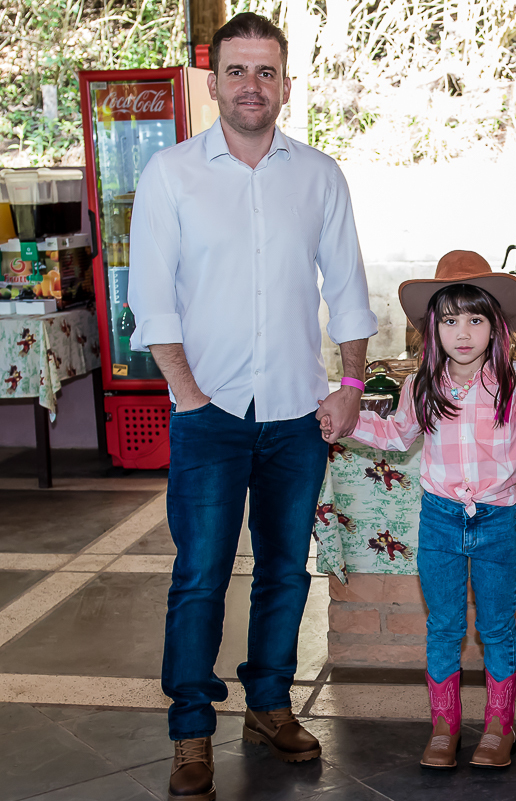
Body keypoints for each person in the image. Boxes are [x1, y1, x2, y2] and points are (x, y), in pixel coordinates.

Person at [127, 12, 378, 801]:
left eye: (265, 72)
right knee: (200, 574)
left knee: (283, 571)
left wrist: (347, 387)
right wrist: (190, 396)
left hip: (299, 416)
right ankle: (190, 729)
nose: (250, 86)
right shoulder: (172, 174)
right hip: (210, 416)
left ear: (286, 84)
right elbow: (151, 300)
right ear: (213, 81)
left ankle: (270, 702)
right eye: (236, 71)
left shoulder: (319, 175)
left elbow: (347, 289)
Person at [320, 251, 516, 769]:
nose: (464, 332)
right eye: (450, 320)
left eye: (476, 319)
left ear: (497, 327)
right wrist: (347, 420)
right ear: (433, 329)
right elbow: (396, 432)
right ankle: (444, 726)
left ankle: (500, 725)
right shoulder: (420, 384)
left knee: (496, 626)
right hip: (440, 519)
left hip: (495, 521)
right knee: (445, 625)